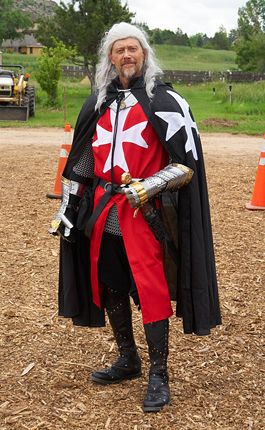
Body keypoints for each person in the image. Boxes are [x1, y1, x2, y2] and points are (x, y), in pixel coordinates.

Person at [50, 22, 221, 412]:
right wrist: (66, 208)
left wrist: (150, 186)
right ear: (109, 57)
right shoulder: (98, 102)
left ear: (144, 53)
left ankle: (159, 374)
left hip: (144, 212)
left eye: (133, 49)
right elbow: (80, 162)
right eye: (119, 50)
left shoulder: (165, 101)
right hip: (103, 211)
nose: (126, 56)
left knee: (150, 288)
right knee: (109, 283)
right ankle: (129, 358)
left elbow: (186, 165)